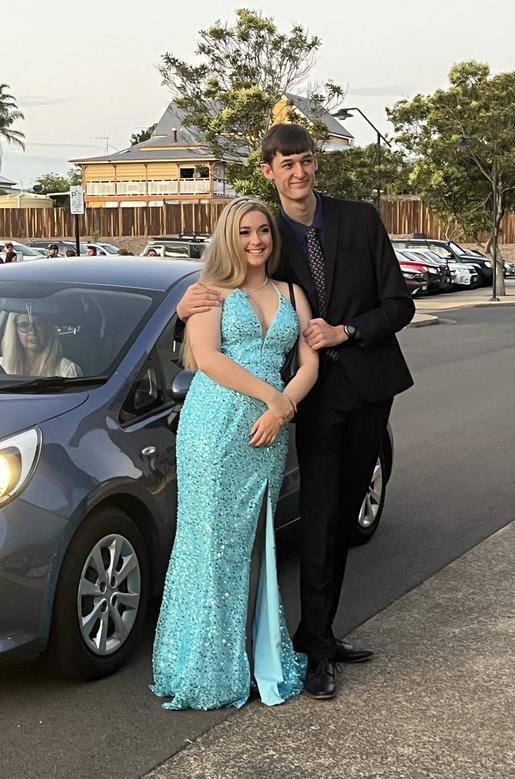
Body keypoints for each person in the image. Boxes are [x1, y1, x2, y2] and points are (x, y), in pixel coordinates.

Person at [177, 124, 415, 700]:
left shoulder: (359, 219)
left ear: (315, 165)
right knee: (317, 516)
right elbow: (216, 304)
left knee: (343, 517)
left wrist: (347, 330)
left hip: (363, 388)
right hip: (301, 403)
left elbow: (399, 304)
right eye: (286, 165)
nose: (298, 173)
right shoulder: (258, 229)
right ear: (269, 172)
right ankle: (313, 652)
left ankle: (319, 634)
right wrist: (184, 306)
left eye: (306, 162)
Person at [151, 196, 319, 711]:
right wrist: (271, 397)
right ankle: (203, 664)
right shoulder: (210, 292)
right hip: (216, 424)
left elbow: (310, 363)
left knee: (257, 544)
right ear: (229, 237)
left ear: (273, 236)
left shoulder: (292, 291)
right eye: (244, 232)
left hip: (270, 426)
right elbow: (207, 358)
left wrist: (281, 408)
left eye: (263, 231)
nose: (255, 241)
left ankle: (257, 653)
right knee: (211, 544)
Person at [0, 312, 82, 377]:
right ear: (14, 332)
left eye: (39, 324)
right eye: (24, 325)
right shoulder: (2, 366)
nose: (32, 331)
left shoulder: (67, 370)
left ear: (48, 329)